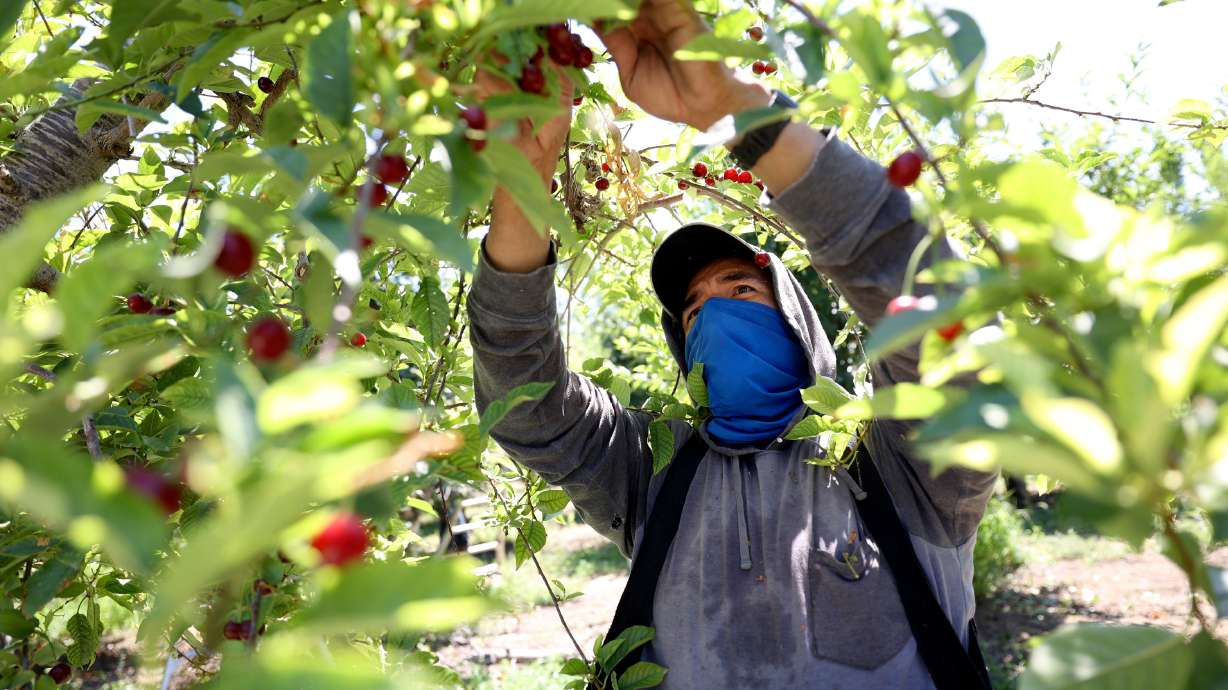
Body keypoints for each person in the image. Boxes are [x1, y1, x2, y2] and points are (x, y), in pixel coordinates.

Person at [467, 1, 997, 687]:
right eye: (692, 311)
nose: (712, 313)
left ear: (798, 320)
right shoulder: (651, 475)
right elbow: (523, 402)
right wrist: (521, 186)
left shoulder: (902, 474)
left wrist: (734, 111)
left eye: (741, 292)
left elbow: (938, 321)